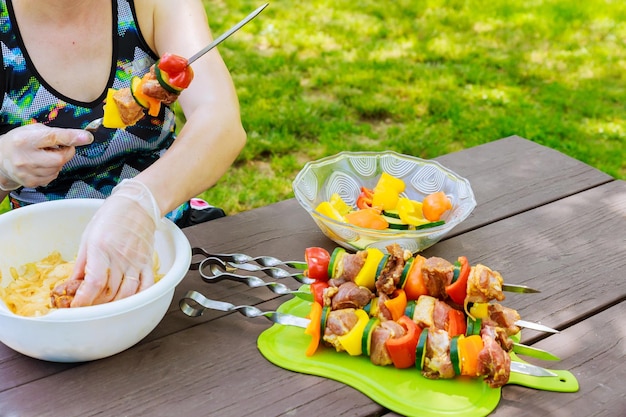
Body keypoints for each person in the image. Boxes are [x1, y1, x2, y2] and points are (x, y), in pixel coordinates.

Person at [0, 0, 246, 306]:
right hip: (41, 271)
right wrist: (3, 169)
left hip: (167, 239)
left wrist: (138, 203)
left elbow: (220, 120)